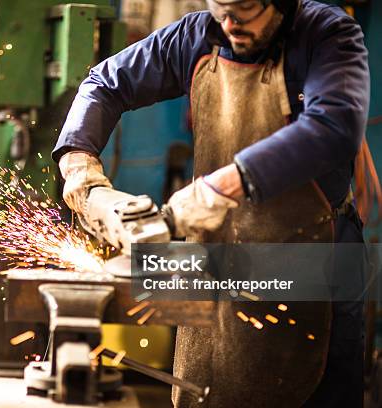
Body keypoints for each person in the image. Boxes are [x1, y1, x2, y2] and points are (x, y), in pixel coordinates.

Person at [52, 0, 370, 406]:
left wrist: (223, 186)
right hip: (217, 259)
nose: (230, 23)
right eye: (221, 8)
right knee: (211, 386)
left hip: (313, 257)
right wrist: (78, 157)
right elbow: (106, 82)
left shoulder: (328, 35)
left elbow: (334, 127)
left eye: (245, 9)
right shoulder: (198, 36)